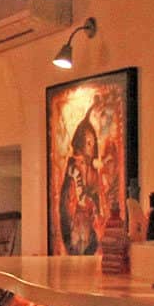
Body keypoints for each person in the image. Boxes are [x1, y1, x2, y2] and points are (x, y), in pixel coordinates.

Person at [58, 106, 102, 255]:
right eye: (88, 143)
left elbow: (95, 196)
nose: (91, 147)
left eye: (93, 143)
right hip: (77, 220)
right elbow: (69, 201)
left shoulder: (92, 171)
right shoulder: (74, 168)